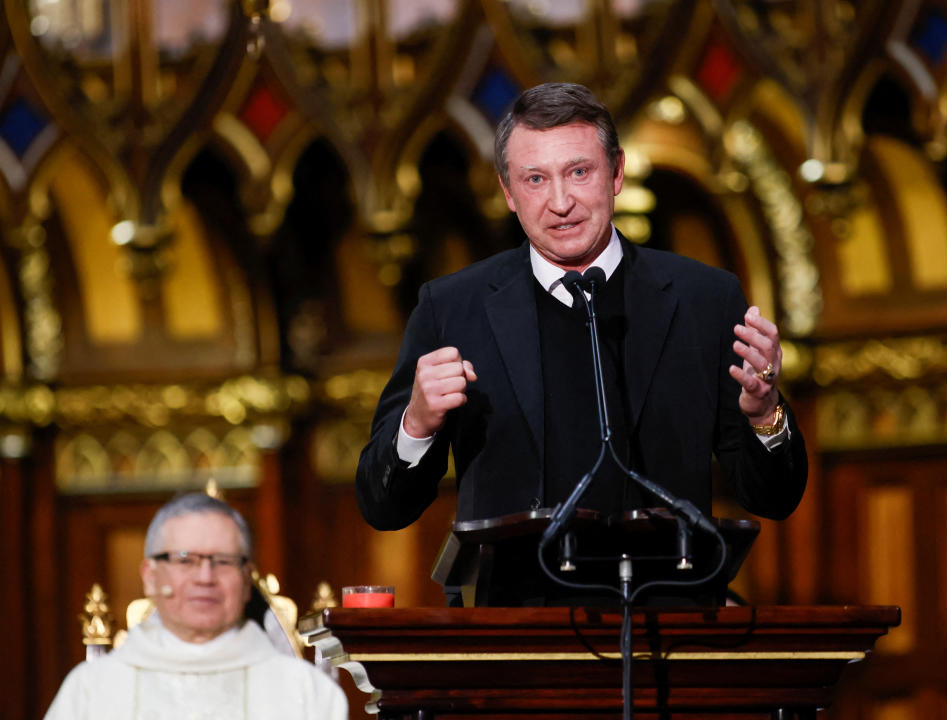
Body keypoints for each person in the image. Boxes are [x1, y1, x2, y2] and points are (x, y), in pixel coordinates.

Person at [355, 82, 807, 558]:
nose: (560, 202)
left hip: (667, 607)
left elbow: (774, 499)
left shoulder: (704, 301)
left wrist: (765, 415)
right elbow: (383, 507)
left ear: (616, 174)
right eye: (535, 179)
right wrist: (417, 424)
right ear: (508, 191)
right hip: (516, 615)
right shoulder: (451, 308)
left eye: (578, 172)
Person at [45, 492, 348, 720]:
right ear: (150, 577)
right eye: (185, 560)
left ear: (246, 579)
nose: (205, 577)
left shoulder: (305, 692)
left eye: (223, 561)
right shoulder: (91, 690)